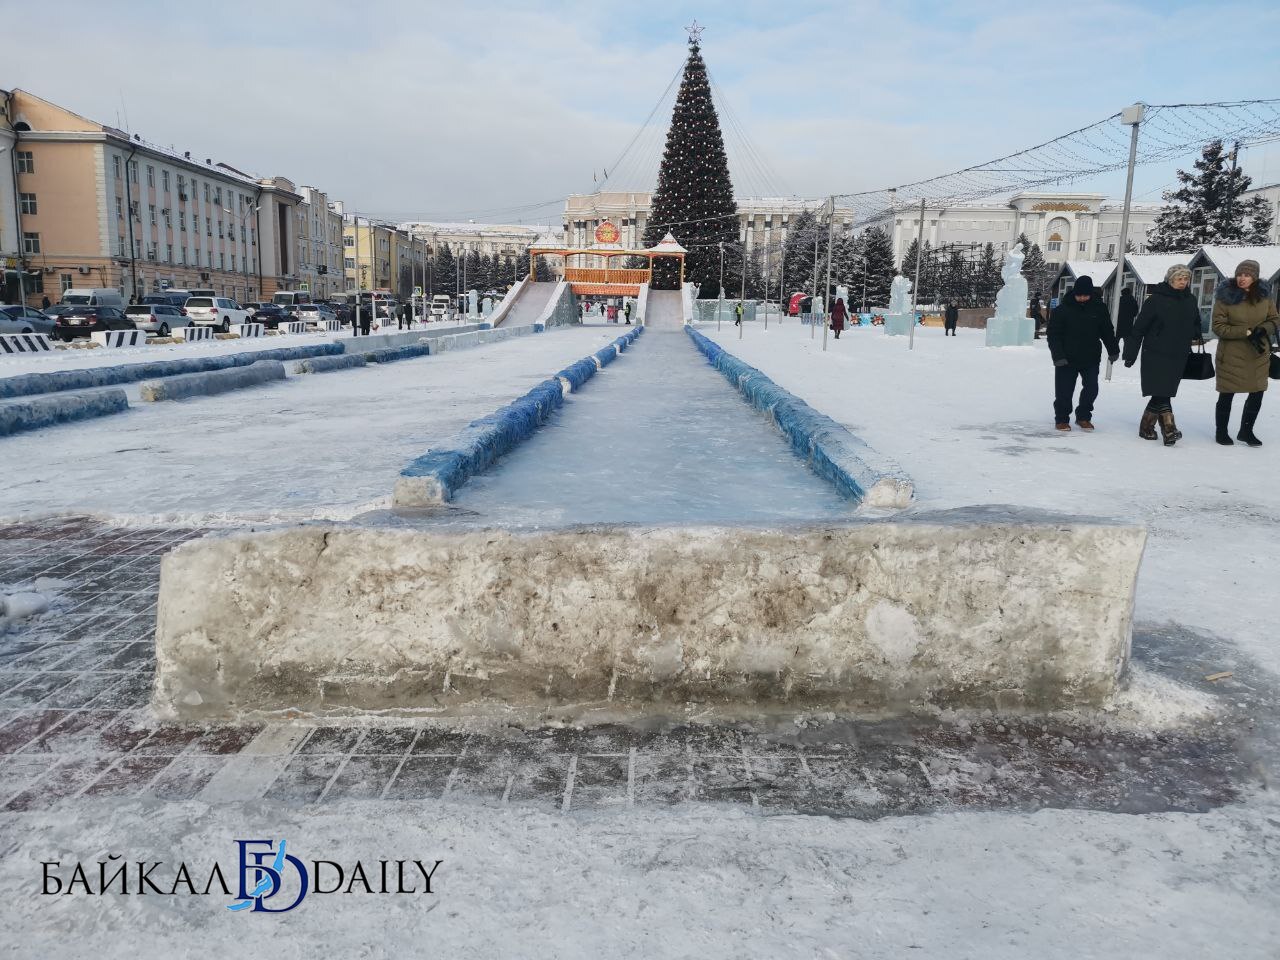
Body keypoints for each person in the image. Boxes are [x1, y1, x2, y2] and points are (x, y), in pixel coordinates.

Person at [1122, 265, 1200, 445]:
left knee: (1163, 391)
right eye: (1179, 278)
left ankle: (1146, 427)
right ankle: (1169, 430)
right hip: (1156, 352)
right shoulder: (1156, 299)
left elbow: (1196, 321)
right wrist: (1130, 353)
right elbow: (1139, 327)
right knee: (1163, 391)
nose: (1183, 282)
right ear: (1170, 279)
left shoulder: (1190, 300)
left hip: (1178, 353)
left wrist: (1193, 331)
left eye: (1185, 279)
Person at [1212, 259, 1279, 446]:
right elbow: (1218, 327)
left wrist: (1263, 329)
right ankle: (1221, 432)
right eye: (1240, 274)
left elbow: (1274, 319)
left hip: (1257, 353)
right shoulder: (1225, 297)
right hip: (1231, 353)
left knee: (1257, 392)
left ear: (1255, 277)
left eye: (1247, 275)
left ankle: (1246, 431)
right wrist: (1245, 331)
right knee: (1227, 393)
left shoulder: (1265, 297)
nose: (1242, 278)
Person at [1047, 275, 1120, 431]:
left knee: (1092, 388)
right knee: (1064, 391)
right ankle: (1062, 419)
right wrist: (1058, 356)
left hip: (1090, 357)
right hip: (1066, 359)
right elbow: (1053, 335)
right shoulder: (1062, 310)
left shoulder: (1099, 308)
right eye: (1078, 295)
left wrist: (1113, 349)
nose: (1081, 298)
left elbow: (1107, 330)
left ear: (1090, 294)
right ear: (1074, 293)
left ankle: (1084, 416)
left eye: (1085, 295)